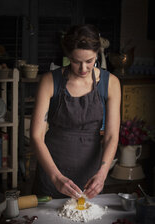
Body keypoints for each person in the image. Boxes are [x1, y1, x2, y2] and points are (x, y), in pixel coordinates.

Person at [31, 24, 121, 199]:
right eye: (75, 61)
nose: (83, 69)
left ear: (98, 54)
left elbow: (111, 136)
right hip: (52, 170)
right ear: (67, 56)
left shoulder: (111, 83)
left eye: (89, 61)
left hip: (91, 173)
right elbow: (36, 136)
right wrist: (56, 177)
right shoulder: (49, 81)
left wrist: (102, 174)